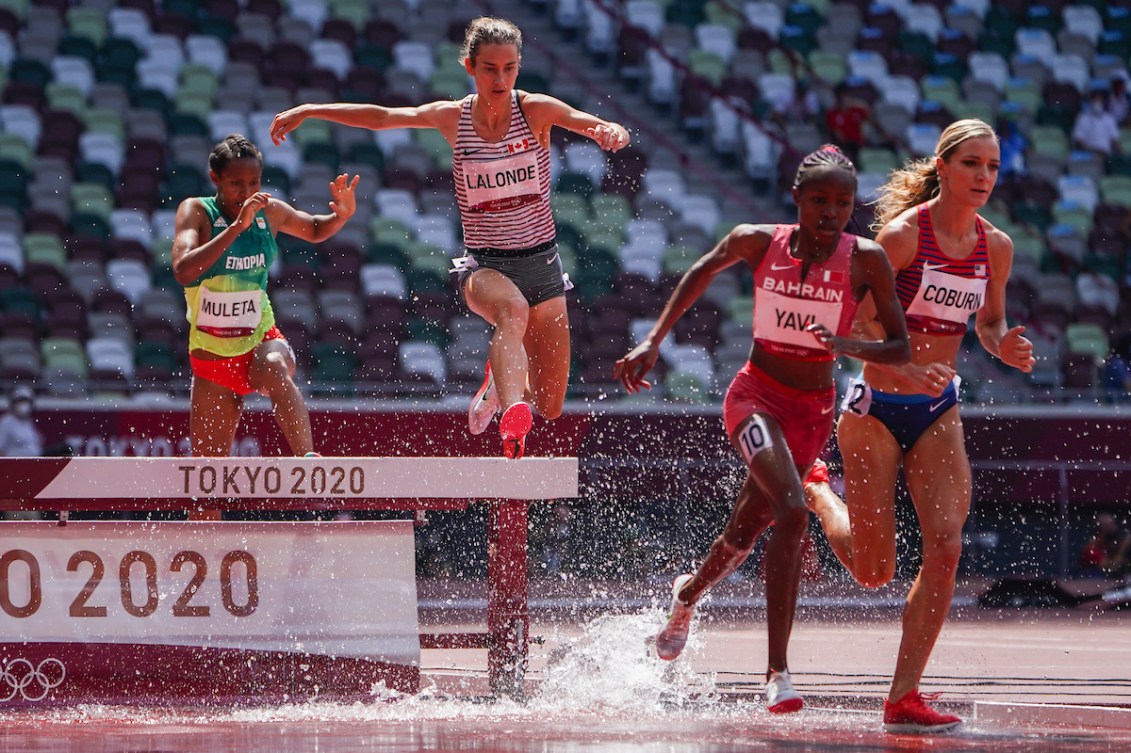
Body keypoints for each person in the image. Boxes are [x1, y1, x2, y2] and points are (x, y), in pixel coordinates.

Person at [614, 145, 911, 714]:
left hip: (812, 410)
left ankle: (688, 595)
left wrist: (852, 346)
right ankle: (778, 672)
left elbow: (898, 345)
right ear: (797, 199)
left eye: (842, 203)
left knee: (743, 534)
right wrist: (654, 340)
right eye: (819, 200)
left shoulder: (865, 258)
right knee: (795, 511)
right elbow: (703, 268)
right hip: (754, 397)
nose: (830, 212)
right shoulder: (759, 240)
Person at [268, 16, 631, 460]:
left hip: (543, 265)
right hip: (487, 266)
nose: (500, 79)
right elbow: (383, 117)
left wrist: (608, 130)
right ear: (469, 67)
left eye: (510, 68)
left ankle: (501, 382)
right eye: (490, 69)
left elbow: (589, 122)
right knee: (511, 312)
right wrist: (309, 109)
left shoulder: (534, 109)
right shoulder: (452, 118)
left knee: (552, 405)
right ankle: (511, 413)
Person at [803, 119, 1036, 733]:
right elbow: (845, 331)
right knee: (874, 572)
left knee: (948, 546)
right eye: (972, 165)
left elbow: (988, 323)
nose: (984, 176)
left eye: (992, 166)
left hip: (938, 410)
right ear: (944, 165)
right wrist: (905, 360)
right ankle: (819, 490)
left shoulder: (997, 246)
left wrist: (1000, 345)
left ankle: (903, 696)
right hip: (876, 408)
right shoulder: (904, 237)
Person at [171, 134, 358, 508]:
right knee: (207, 495)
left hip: (260, 339)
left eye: (254, 183)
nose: (247, 192)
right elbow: (183, 269)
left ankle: (308, 464)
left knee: (274, 367)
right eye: (236, 184)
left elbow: (316, 229)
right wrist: (235, 228)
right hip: (211, 358)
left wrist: (343, 215)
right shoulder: (196, 211)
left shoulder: (268, 211)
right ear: (215, 179)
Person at [0, 385, 44, 520]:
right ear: (13, 403)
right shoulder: (6, 423)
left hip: (31, 478)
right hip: (15, 478)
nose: (23, 404)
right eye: (20, 400)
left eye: (26, 400)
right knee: (16, 518)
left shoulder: (28, 423)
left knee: (33, 518)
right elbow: (1, 450)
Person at [1072, 88, 1121, 157]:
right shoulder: (1083, 118)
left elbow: (1114, 141)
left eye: (1100, 98)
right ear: (1090, 99)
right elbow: (1078, 141)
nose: (1097, 101)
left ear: (1104, 100)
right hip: (1088, 156)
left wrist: (1117, 153)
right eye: (1094, 98)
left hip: (1106, 156)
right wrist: (1094, 151)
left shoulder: (1110, 119)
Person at [1079, 513, 1131, 579]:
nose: (1115, 529)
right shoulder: (1091, 550)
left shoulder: (1108, 546)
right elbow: (1110, 568)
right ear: (1101, 530)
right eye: (1110, 526)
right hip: (1093, 583)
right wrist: (1123, 548)